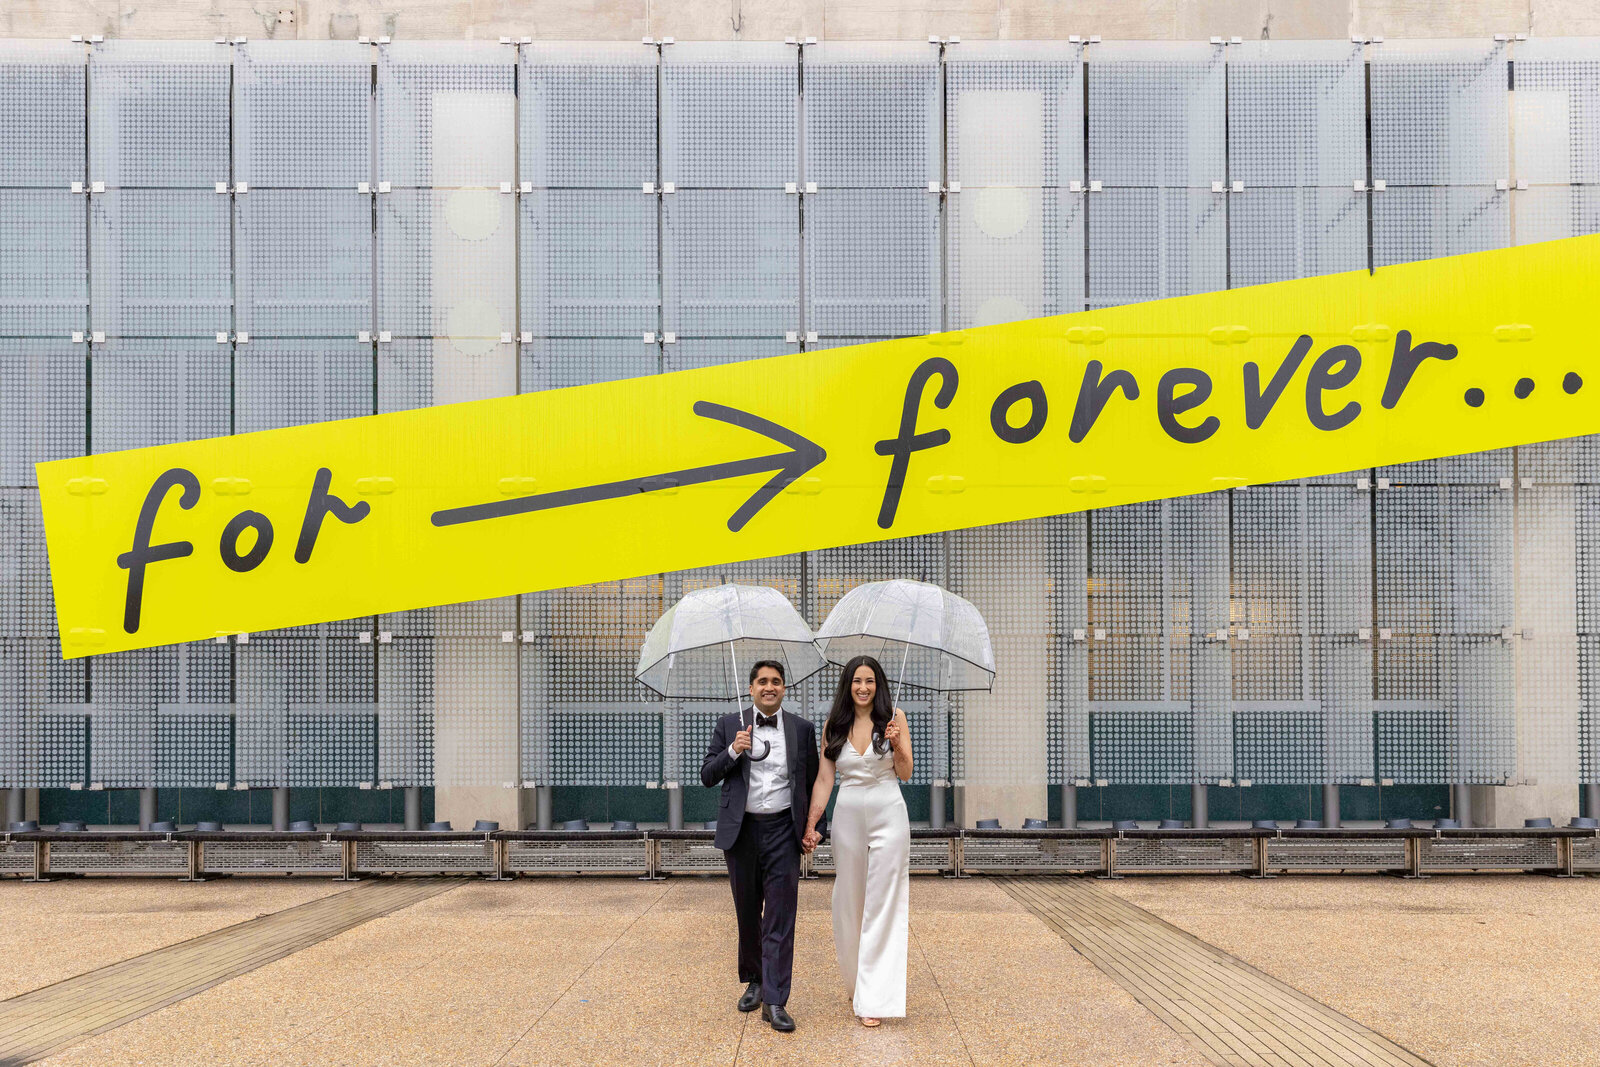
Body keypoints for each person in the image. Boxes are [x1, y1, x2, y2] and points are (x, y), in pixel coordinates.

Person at [700, 659, 821, 1033]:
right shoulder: (728, 725)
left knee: (781, 917)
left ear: (784, 689)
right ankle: (754, 980)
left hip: (783, 830)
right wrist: (734, 750)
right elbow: (707, 775)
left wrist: (816, 827)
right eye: (763, 681)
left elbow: (813, 780)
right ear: (751, 688)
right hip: (742, 831)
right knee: (748, 912)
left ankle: (775, 999)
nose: (770, 687)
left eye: (777, 682)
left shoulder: (802, 729)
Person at [802, 655, 913, 1028]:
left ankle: (875, 997)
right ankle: (857, 980)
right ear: (847, 685)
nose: (863, 688)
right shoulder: (835, 724)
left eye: (869, 681)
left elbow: (906, 772)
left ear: (878, 684)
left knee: (884, 900)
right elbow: (824, 779)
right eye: (856, 681)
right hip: (848, 815)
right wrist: (811, 823)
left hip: (889, 813)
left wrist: (897, 745)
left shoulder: (894, 718)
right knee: (848, 899)